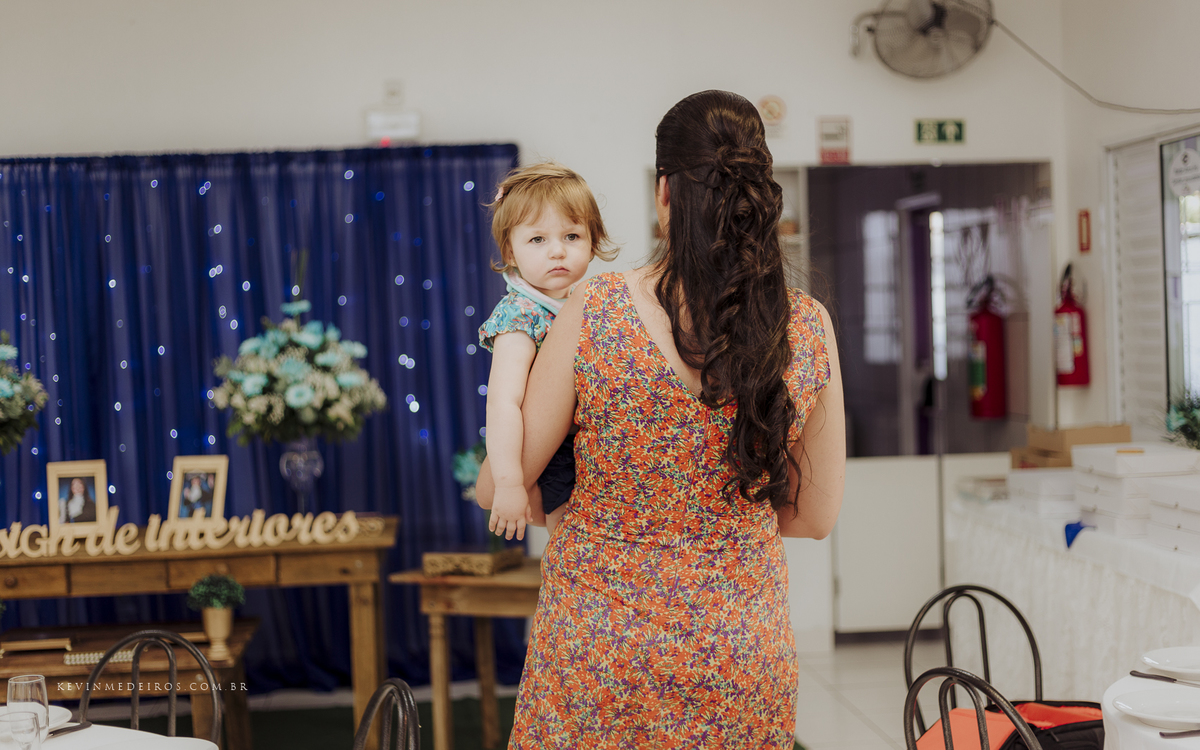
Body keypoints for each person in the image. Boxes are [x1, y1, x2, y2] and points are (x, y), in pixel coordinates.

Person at [476, 90, 846, 746]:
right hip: (739, 648)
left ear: (663, 193)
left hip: (602, 648)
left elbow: (497, 490)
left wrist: (605, 516)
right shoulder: (808, 326)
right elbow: (813, 517)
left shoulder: (595, 309)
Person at [478, 163, 616, 541]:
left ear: (593, 241)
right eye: (537, 240)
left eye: (572, 236)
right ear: (511, 249)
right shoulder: (521, 314)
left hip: (598, 445)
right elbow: (503, 403)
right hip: (553, 455)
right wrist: (508, 482)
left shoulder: (588, 303)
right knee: (573, 550)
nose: (557, 251)